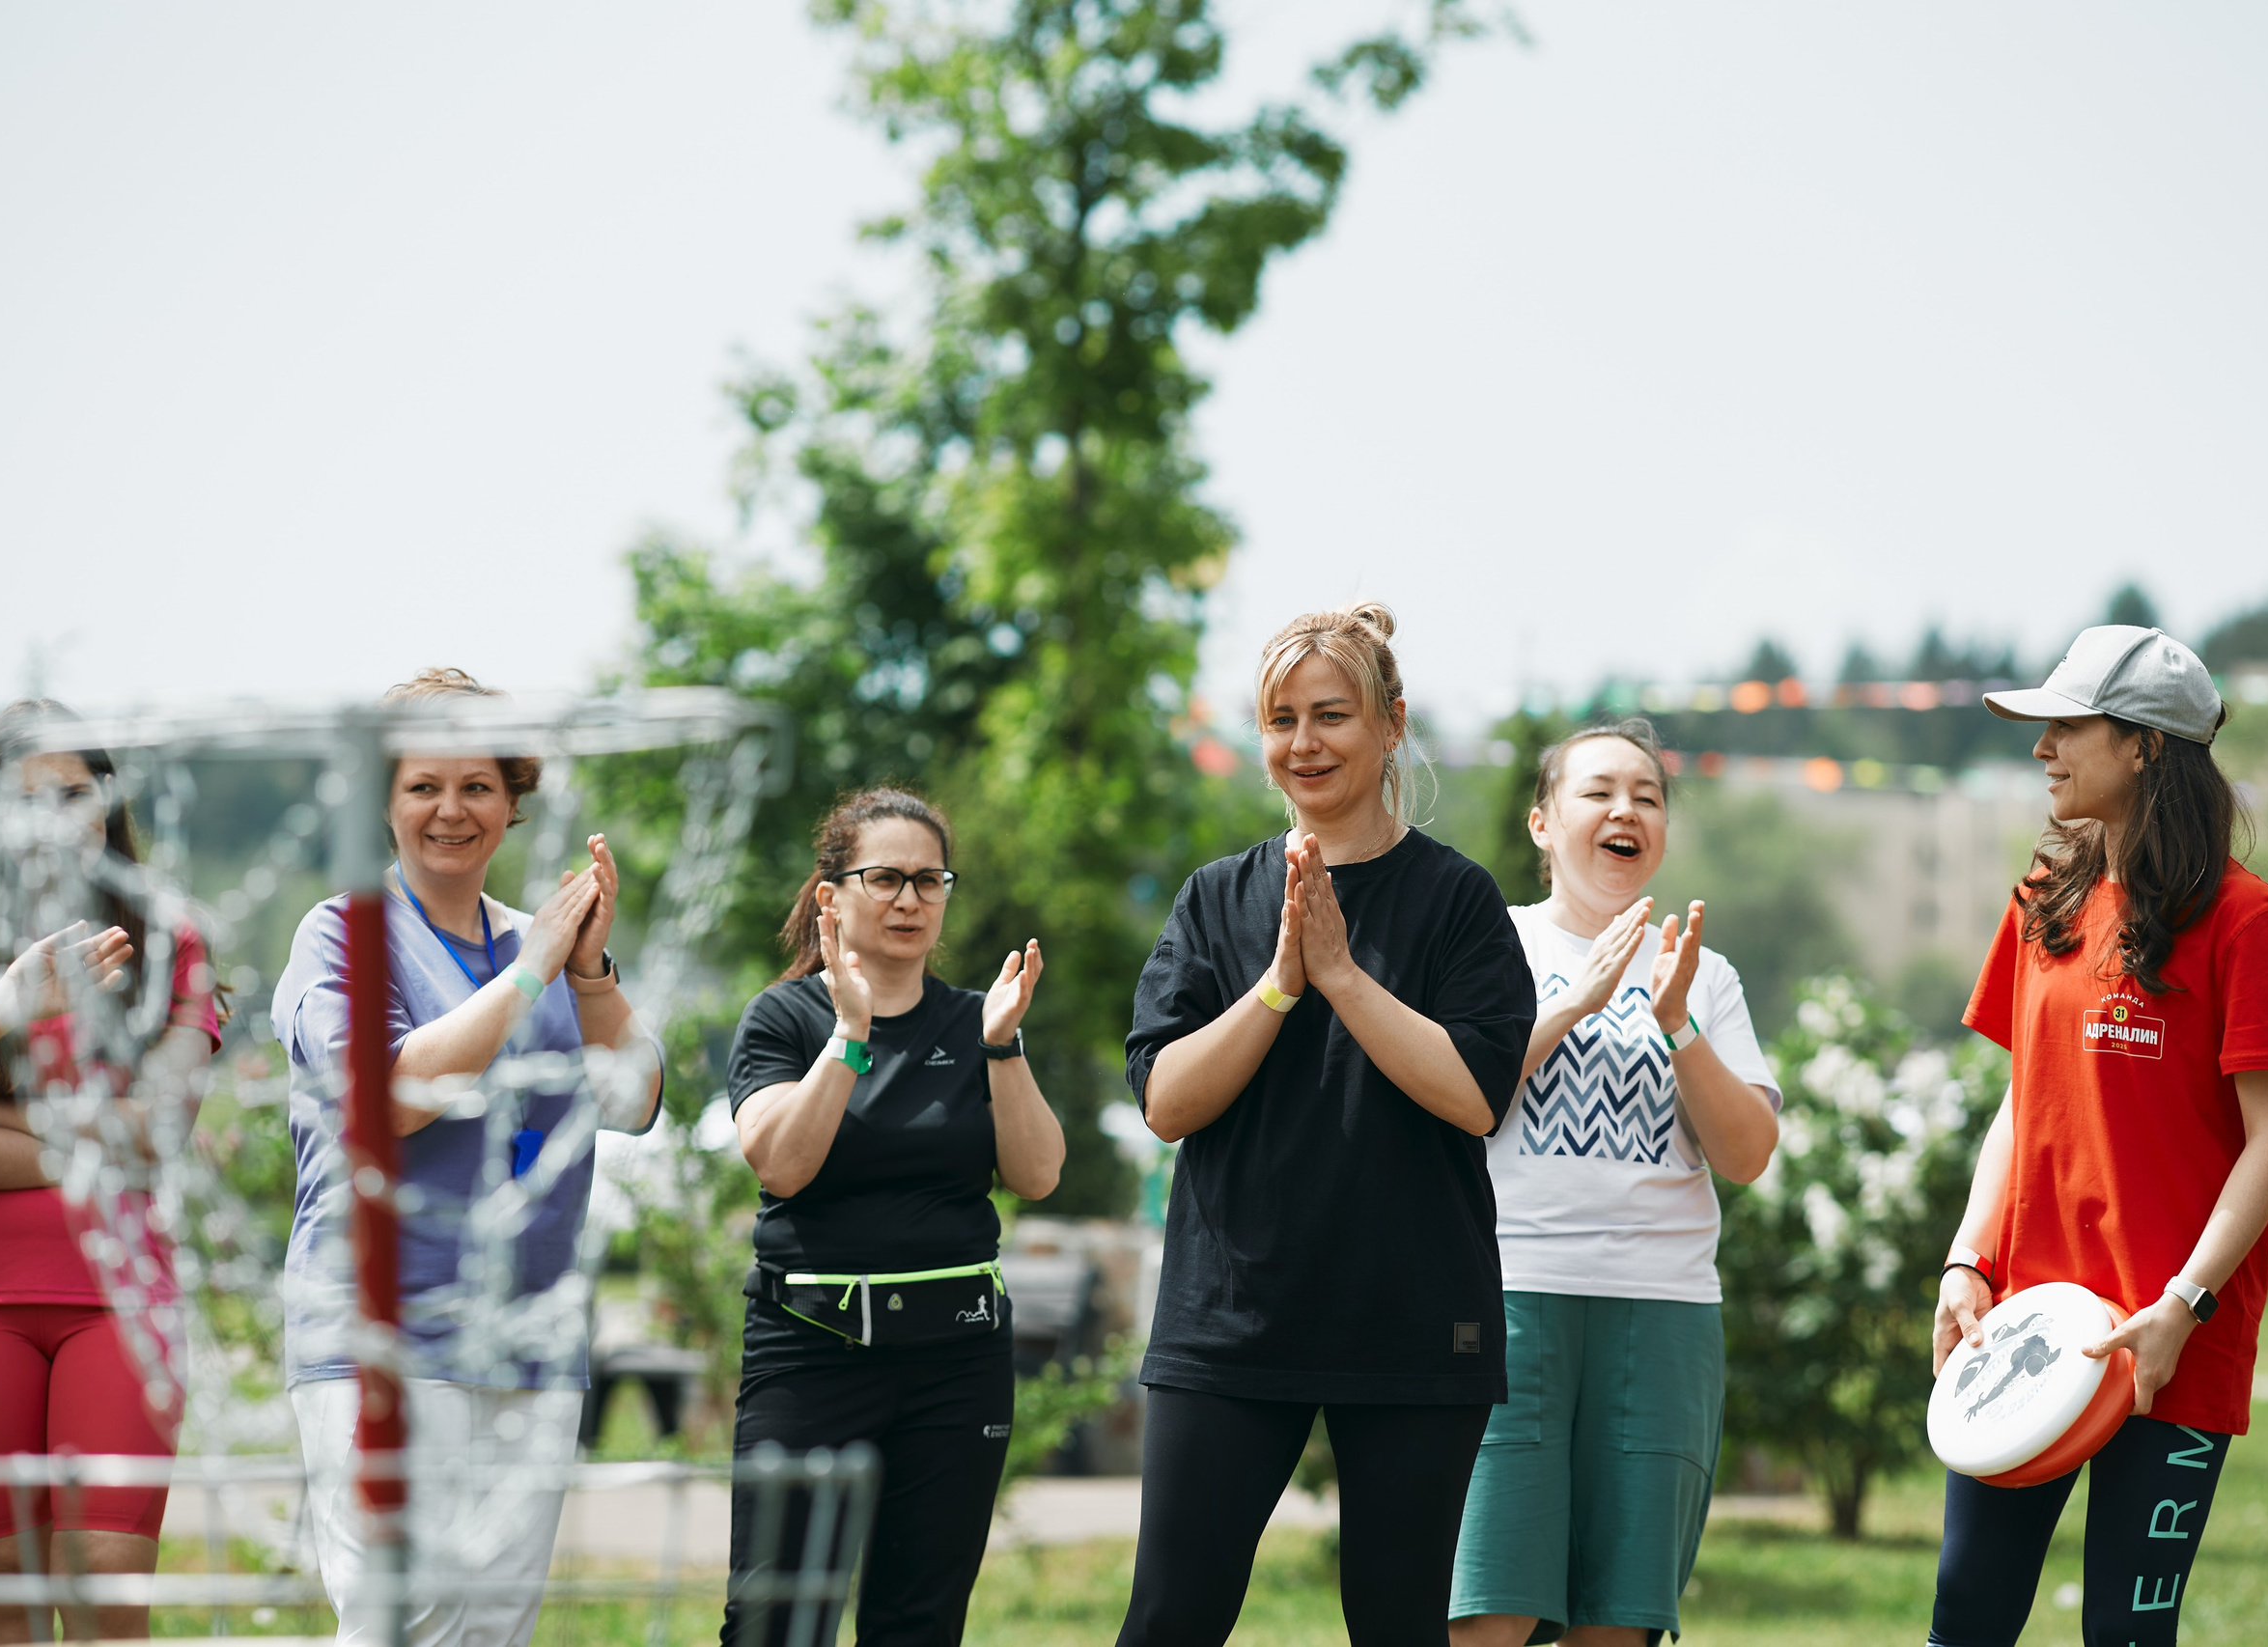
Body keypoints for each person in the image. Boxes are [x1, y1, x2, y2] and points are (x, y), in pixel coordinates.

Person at [1119, 601, 1536, 1647]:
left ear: (1390, 724)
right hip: (1232, 1315)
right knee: (1170, 1618)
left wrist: (1341, 975)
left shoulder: (1456, 900)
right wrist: (1276, 984)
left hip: (1410, 1316)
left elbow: (1476, 1093)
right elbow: (1167, 1100)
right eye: (1280, 719)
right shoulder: (1216, 898)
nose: (1302, 743)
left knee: (1397, 1625)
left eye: (1331, 715)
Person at [1927, 627, 2268, 1647]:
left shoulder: (2247, 920)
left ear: (2142, 744)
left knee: (2125, 1634)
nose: (2042, 746)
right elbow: (2023, 1097)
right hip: (2027, 1332)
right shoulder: (2041, 901)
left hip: (2171, 1342)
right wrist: (1968, 1256)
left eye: (2066, 725)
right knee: (1965, 1612)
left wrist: (2182, 1303)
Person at [272, 667, 662, 1647]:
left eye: (478, 785)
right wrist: (537, 974)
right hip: (384, 1334)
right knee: (402, 1616)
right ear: (385, 799)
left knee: (493, 1624)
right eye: (423, 784)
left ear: (512, 799)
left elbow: (637, 1096)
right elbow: (390, 1096)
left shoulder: (551, 942)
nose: (452, 808)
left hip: (529, 1343)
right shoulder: (341, 933)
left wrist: (590, 973)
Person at [1448, 720, 1782, 1647]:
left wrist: (1677, 1023)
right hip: (1506, 1297)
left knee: (1617, 1623)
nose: (1625, 810)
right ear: (1543, 824)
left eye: (1647, 795)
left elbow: (1749, 1153)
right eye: (1598, 792)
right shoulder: (1491, 945)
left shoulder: (1704, 973)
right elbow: (1456, 1099)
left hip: (1662, 1312)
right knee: (1487, 1613)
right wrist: (1572, 1005)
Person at [721, 787, 1065, 1647]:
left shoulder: (975, 1019)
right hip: (812, 1347)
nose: (911, 899)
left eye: (929, 880)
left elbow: (1038, 1173)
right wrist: (850, 1033)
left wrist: (1002, 1046)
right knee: (774, 1623)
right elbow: (783, 1165)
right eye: (886, 878)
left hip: (958, 1358)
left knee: (919, 1625)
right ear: (832, 895)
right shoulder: (785, 1018)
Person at [0, 700, 219, 1644]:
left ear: (108, 796)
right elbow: (118, 1135)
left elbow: (158, 1132)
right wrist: (4, 1006)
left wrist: (5, 1121)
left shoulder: (167, 936)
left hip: (121, 1304)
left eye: (74, 791)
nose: (52, 815)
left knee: (106, 1595)